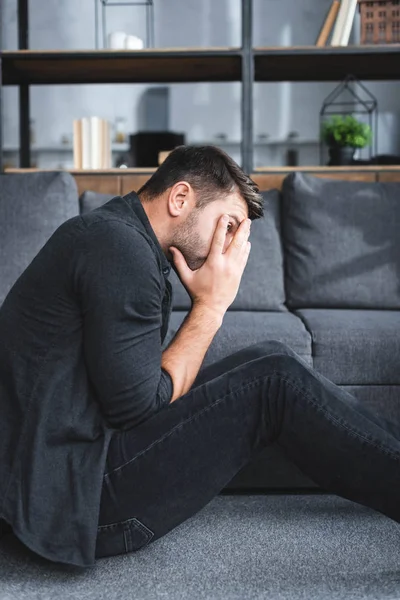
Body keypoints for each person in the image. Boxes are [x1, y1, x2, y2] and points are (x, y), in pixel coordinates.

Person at [0, 145, 399, 569]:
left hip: (65, 472)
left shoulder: (114, 236)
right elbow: (138, 409)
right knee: (274, 381)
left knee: (269, 358)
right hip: (72, 496)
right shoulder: (119, 248)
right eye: (228, 225)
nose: (226, 247)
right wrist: (211, 307)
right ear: (180, 198)